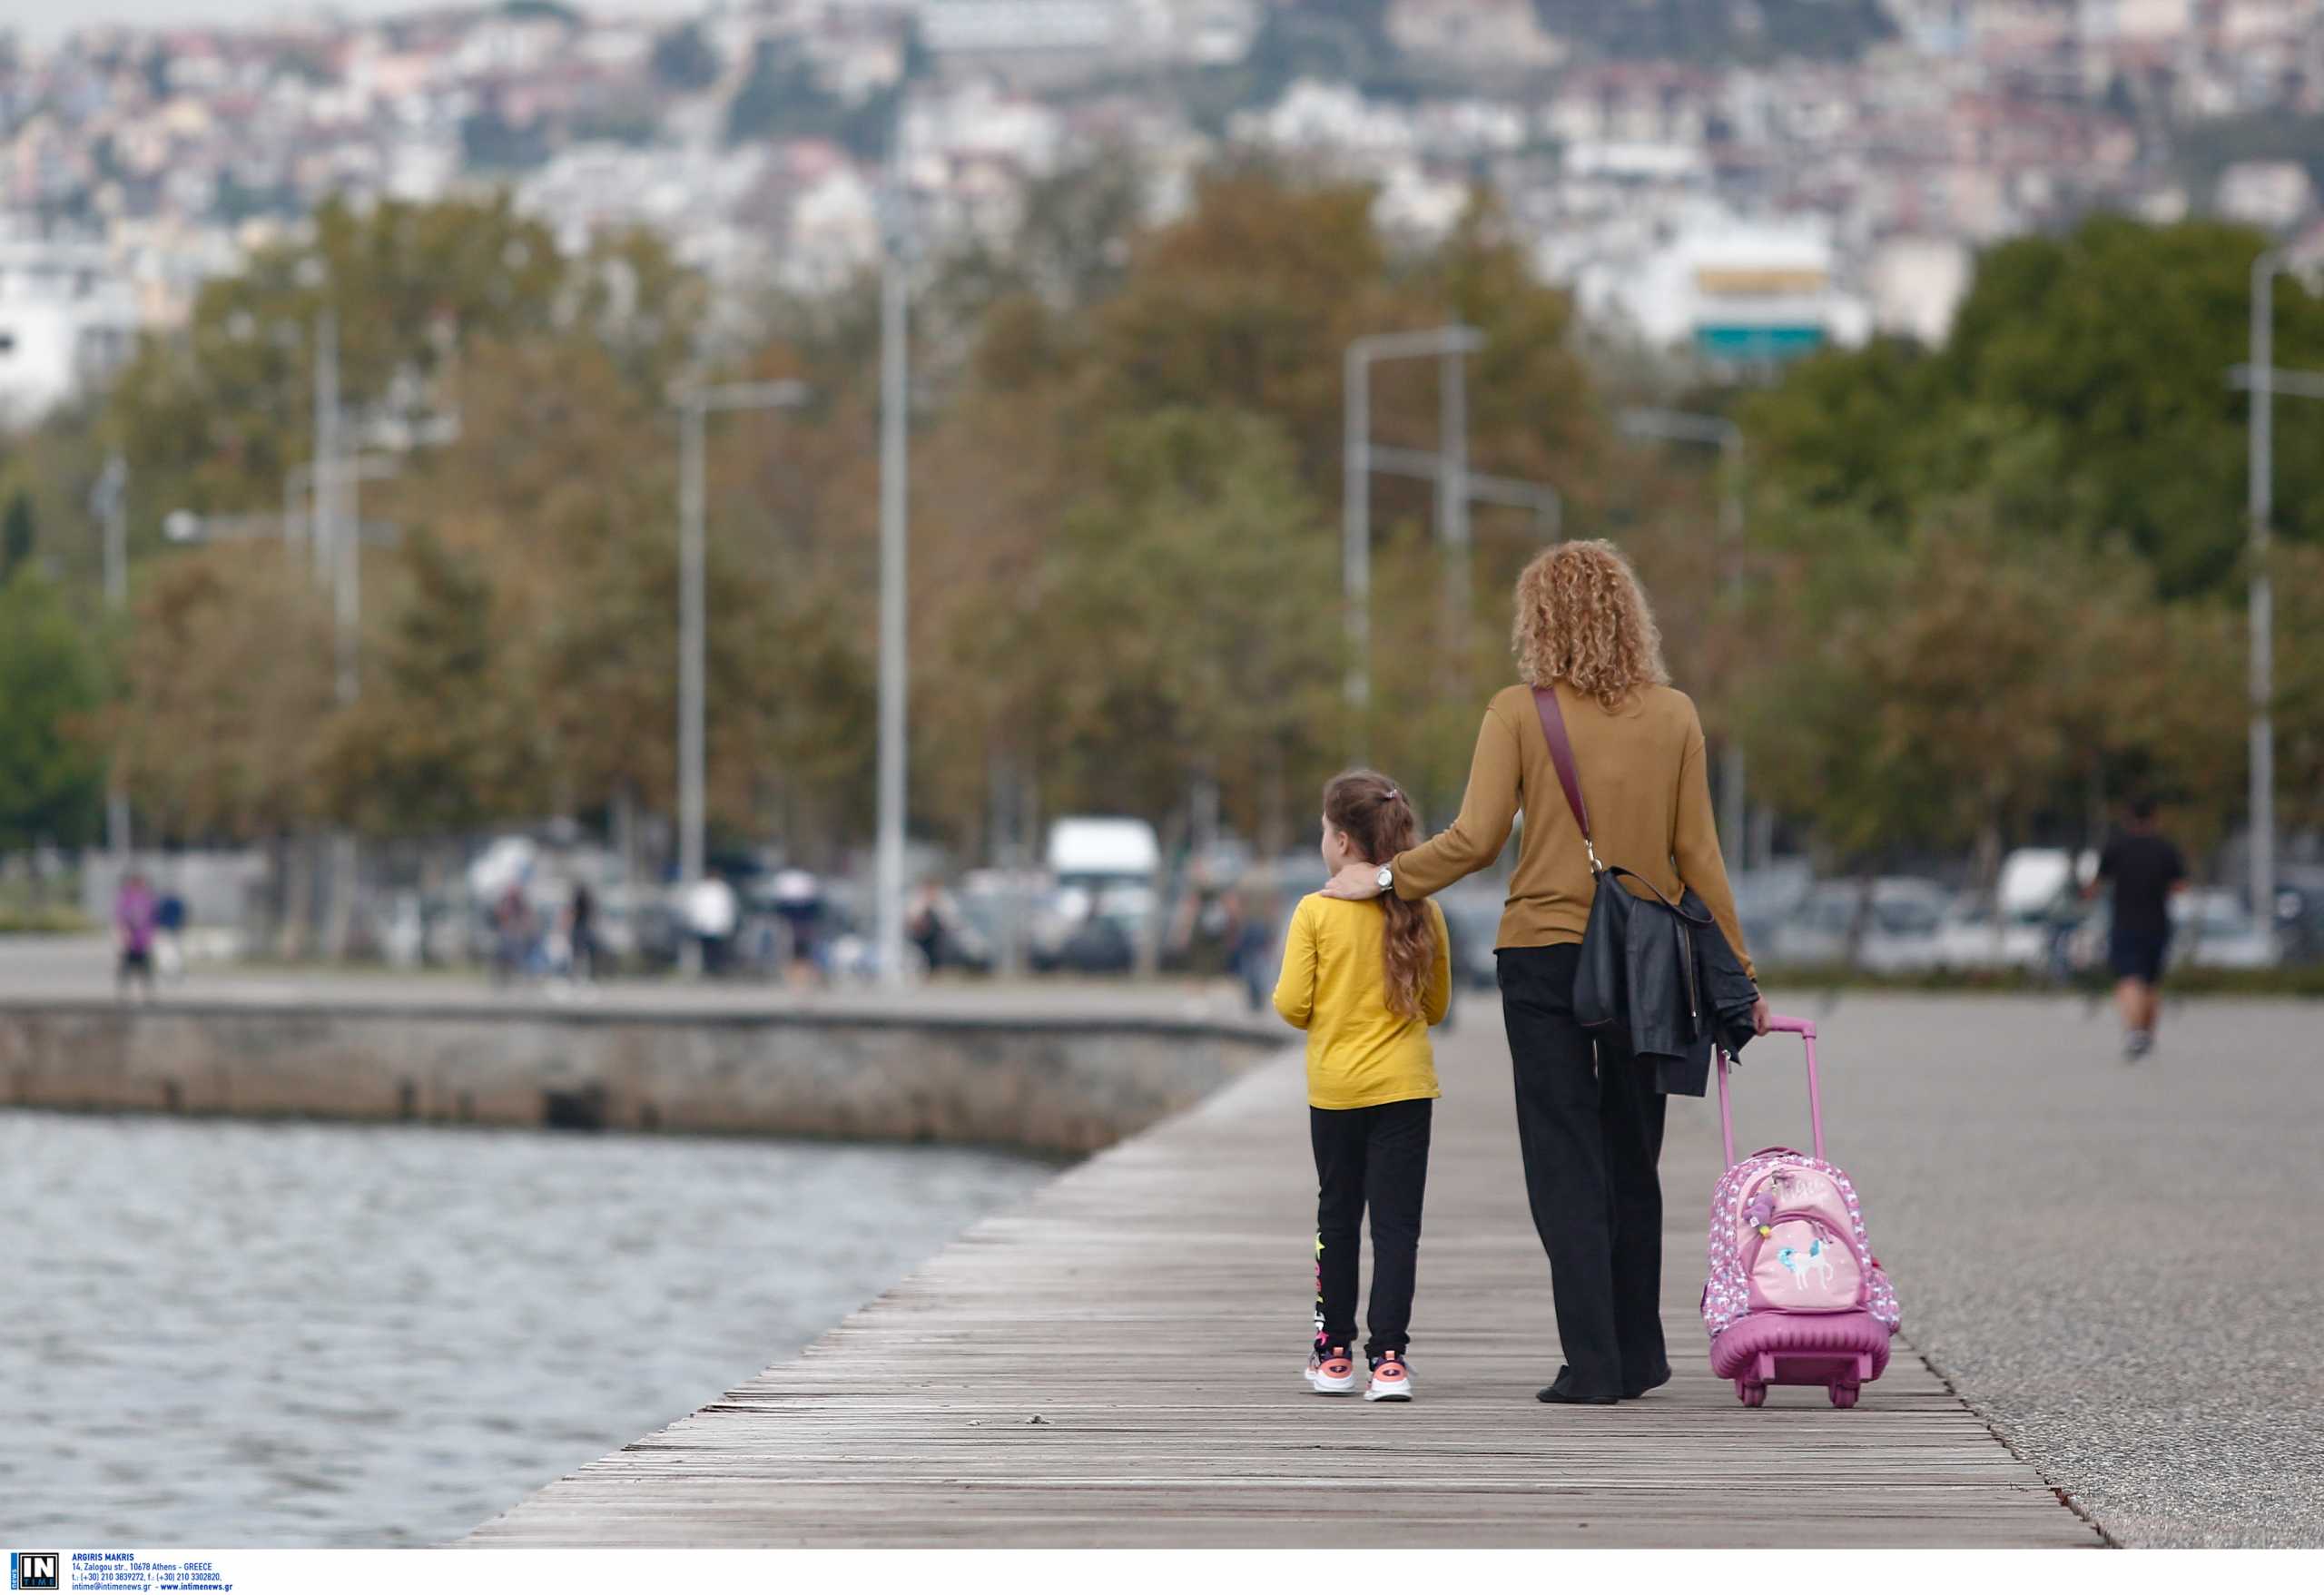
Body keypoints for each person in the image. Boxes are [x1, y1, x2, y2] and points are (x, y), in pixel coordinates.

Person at [1323, 539, 1768, 1406]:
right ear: (1627, 615)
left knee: (1564, 1159)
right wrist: (1738, 974)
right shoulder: (1675, 715)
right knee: (1632, 1156)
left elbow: (1476, 839)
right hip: (1648, 965)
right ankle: (1641, 1355)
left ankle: (1592, 1363)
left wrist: (1381, 877)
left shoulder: (1518, 712)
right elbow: (1699, 855)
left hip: (1544, 960)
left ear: (1538, 621)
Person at [1275, 771, 1452, 1404]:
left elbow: (1293, 1005)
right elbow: (1436, 1004)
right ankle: (1391, 1360)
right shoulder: (1424, 910)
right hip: (1405, 1088)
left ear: (1344, 841)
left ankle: (1334, 1353)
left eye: (1325, 831)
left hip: (1337, 1092)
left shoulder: (1314, 912)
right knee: (1398, 1226)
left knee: (1338, 1217)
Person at [2092, 797, 2186, 1061]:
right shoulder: (2165, 849)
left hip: (2125, 922)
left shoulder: (2117, 848)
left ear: (2128, 818)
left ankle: (2135, 1032)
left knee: (2129, 979)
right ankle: (2146, 1034)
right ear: (2155, 817)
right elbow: (2179, 887)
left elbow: (2095, 886)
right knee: (2151, 982)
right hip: (2157, 923)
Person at [114, 871, 158, 1001]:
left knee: (146, 969)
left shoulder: (147, 898)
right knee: (126, 968)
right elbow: (121, 918)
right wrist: (124, 933)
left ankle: (148, 994)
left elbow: (152, 918)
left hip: (142, 940)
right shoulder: (126, 898)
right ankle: (123, 994)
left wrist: (150, 936)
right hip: (130, 940)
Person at [566, 881, 597, 984]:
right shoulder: (584, 899)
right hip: (581, 928)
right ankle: (578, 977)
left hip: (581, 928)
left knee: (579, 954)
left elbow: (573, 913)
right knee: (579, 954)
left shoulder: (580, 899)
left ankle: (579, 977)